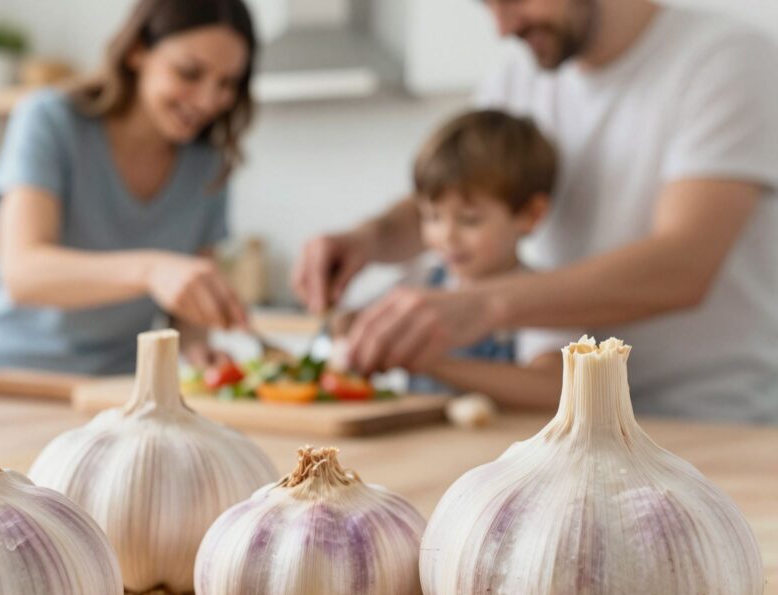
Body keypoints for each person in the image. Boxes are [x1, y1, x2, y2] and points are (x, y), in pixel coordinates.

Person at [293, 0, 778, 423]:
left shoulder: (726, 61)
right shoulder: (521, 74)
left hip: (700, 422)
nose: (502, 27)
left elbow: (684, 265)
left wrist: (480, 305)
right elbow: (460, 194)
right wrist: (368, 239)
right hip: (569, 434)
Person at [0, 0, 256, 384]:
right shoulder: (50, 120)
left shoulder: (208, 165)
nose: (208, 100)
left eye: (227, 84)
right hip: (12, 380)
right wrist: (152, 270)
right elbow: (22, 273)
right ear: (137, 51)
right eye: (189, 73)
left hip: (119, 388)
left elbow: (186, 316)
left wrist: (195, 348)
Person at [409, 109, 572, 409]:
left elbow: (556, 389)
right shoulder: (422, 281)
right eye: (432, 216)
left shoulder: (542, 300)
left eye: (469, 219)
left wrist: (432, 364)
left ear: (530, 215)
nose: (447, 236)